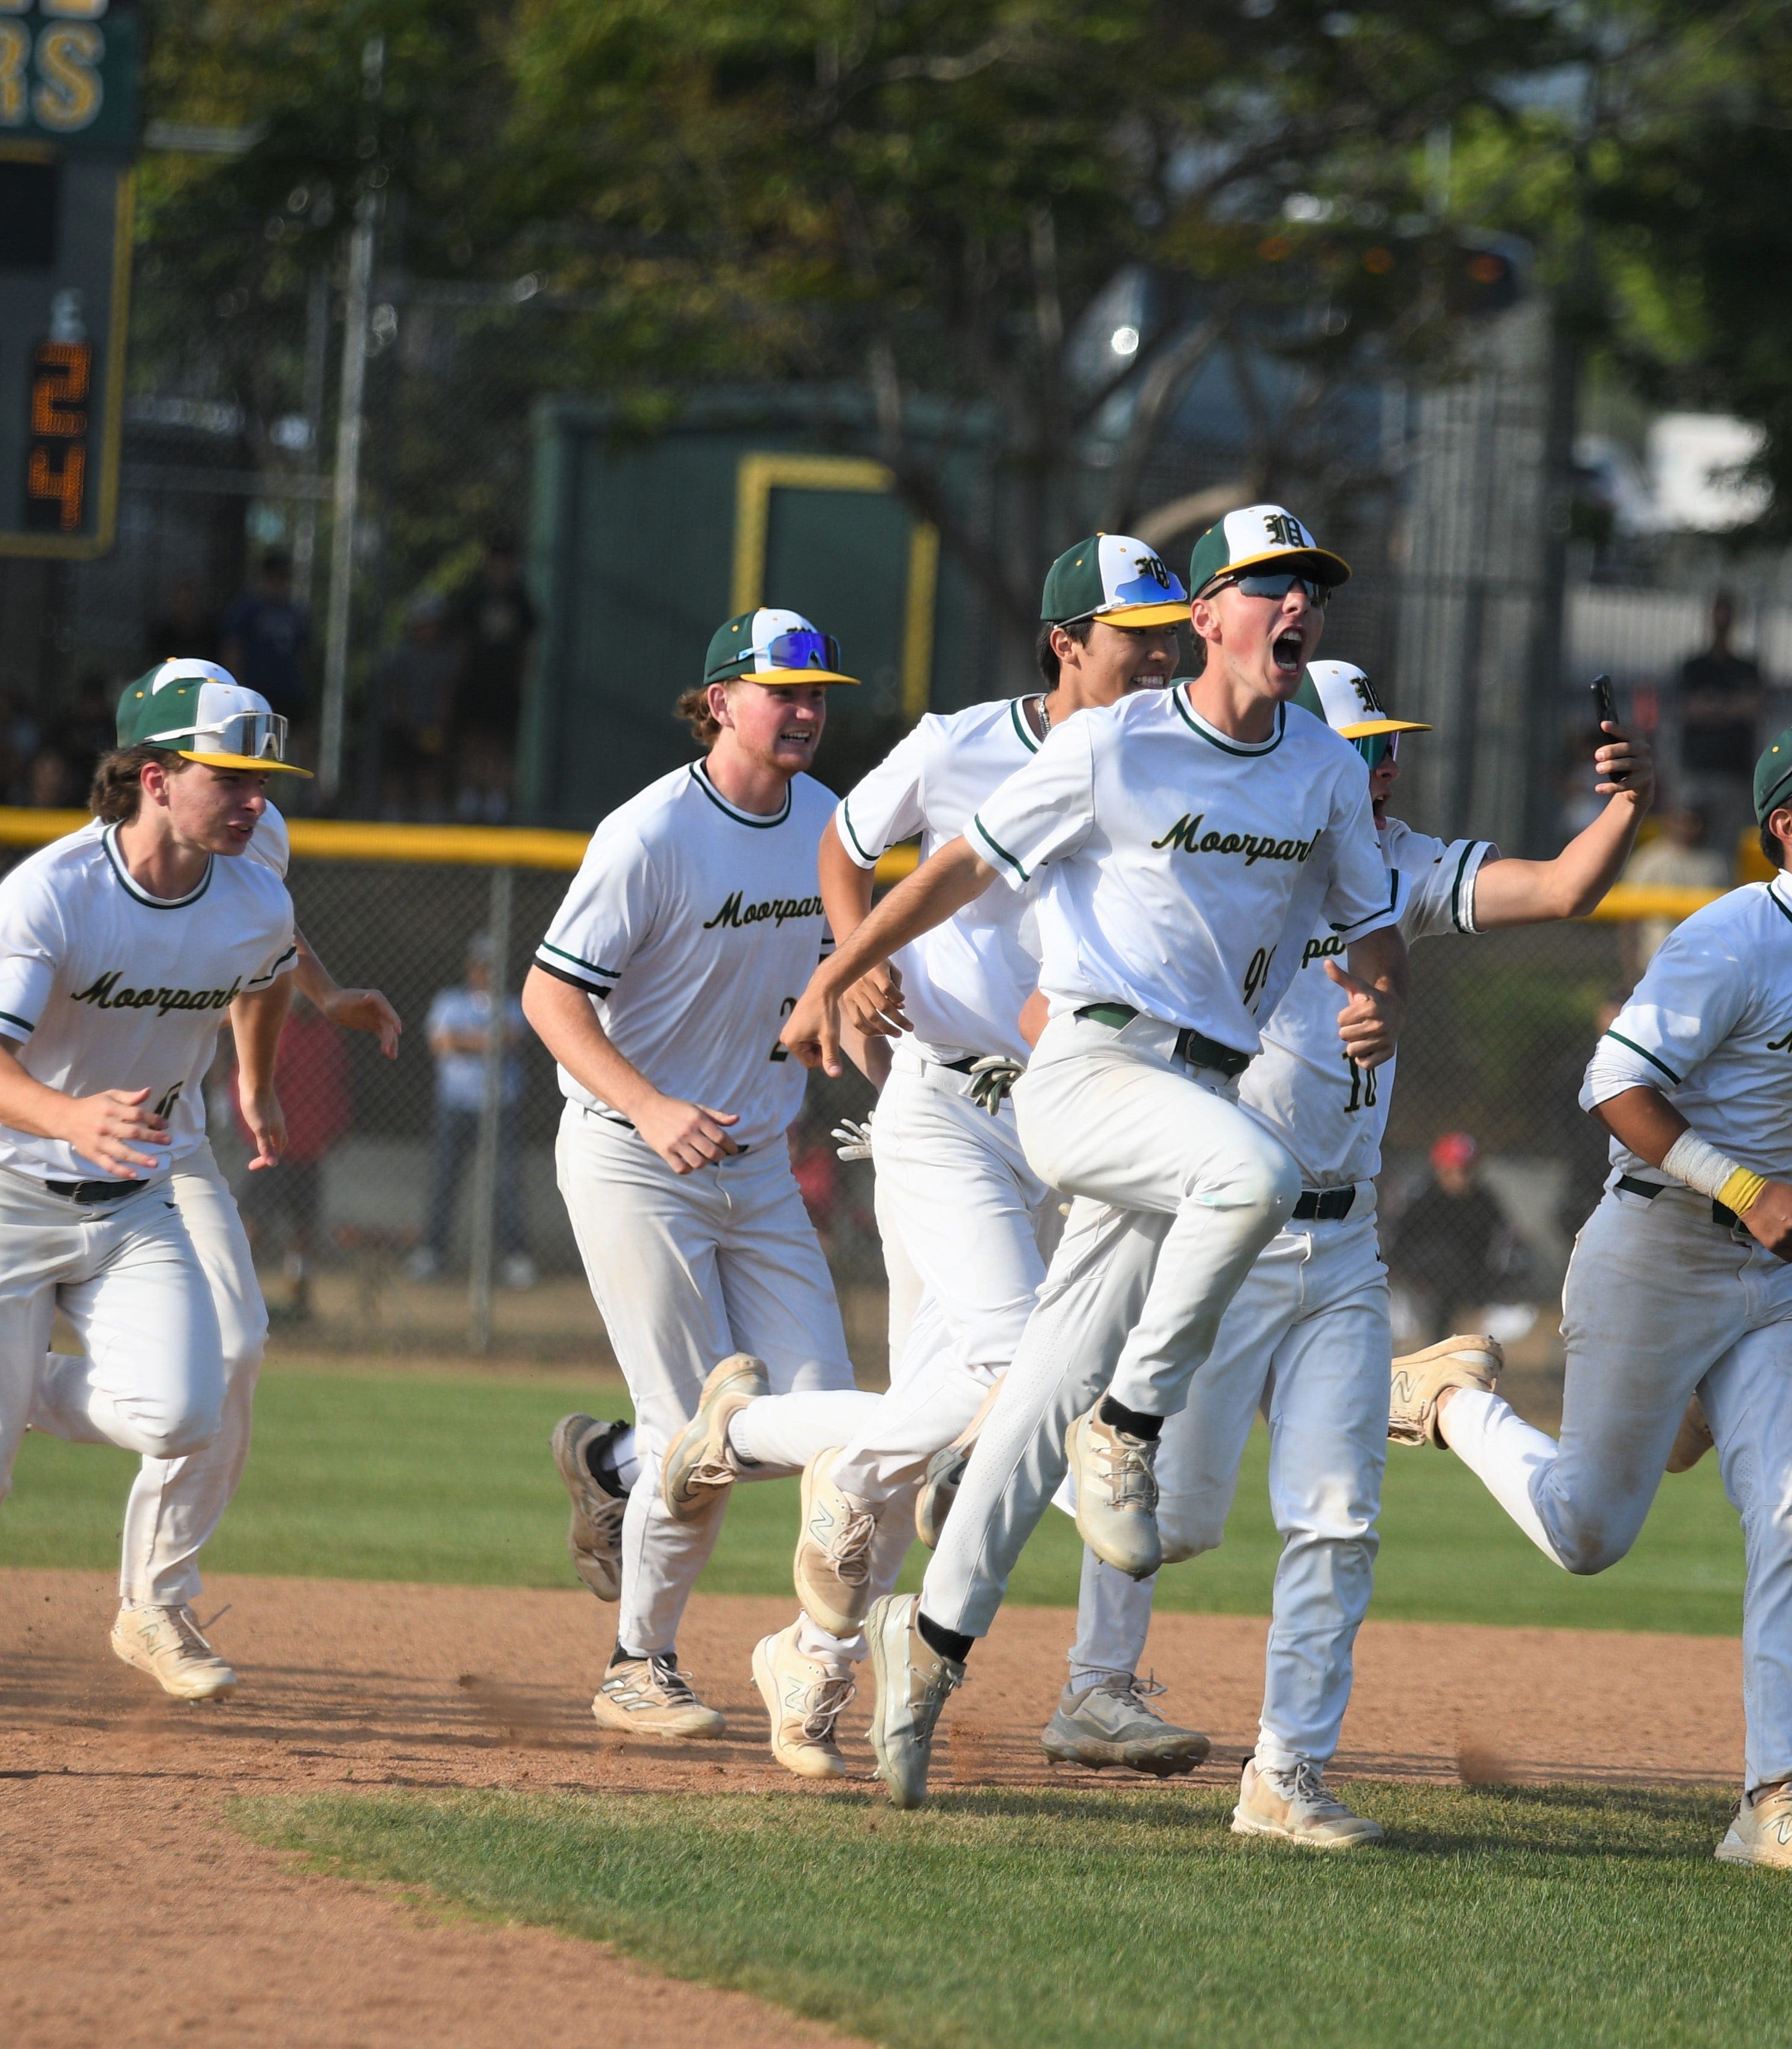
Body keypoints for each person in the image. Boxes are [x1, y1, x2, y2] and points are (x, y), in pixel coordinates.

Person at [781, 504, 1407, 1810]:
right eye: (1267, 585)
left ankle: (928, 1639)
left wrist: (1375, 989)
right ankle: (1127, 1424)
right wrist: (836, 970)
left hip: (1195, 1101)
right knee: (1252, 1179)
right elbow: (952, 869)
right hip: (1087, 1073)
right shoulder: (1115, 745)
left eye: (1310, 588)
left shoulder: (1320, 768)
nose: (1296, 605)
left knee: (1025, 1410)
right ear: (1208, 617)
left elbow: (1371, 920)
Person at [1057, 659, 1656, 1847]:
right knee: (1166, 1520)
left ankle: (1285, 1771)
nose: (1383, 762)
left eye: (1389, 743)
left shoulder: (1399, 867)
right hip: (1225, 1231)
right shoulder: (1226, 862)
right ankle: (1056, 1614)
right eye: (1361, 741)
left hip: (1340, 1249)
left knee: (1335, 1519)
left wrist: (1626, 808)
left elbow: (1560, 889)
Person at [1391, 716, 1792, 1875]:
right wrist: (1747, 1189)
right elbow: (1614, 1081)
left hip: (1774, 1283)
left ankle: (1774, 1800)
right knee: (1589, 1533)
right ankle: (1454, 1403)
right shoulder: (1730, 935)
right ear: (1789, 826)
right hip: (1653, 1253)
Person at [0, 664, 402, 1717]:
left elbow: (266, 966)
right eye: (232, 778)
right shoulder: (51, 892)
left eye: (263, 779)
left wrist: (257, 1078)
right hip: (2, 1184)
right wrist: (71, 1114)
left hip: (131, 1194)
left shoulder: (251, 889)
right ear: (154, 777)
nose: (258, 798)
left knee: (187, 1404)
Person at [709, 532, 1189, 1779]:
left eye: (1168, 633)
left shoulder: (1172, 761)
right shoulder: (956, 742)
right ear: (1066, 641)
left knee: (976, 1404)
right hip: (946, 1104)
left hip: (1082, 1117)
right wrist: (854, 954)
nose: (1159, 654)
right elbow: (844, 844)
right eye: (1134, 633)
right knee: (1019, 1356)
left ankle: (803, 1619)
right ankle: (783, 1469)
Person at [520, 608, 884, 1739]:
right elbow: (548, 996)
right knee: (700, 1429)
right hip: (634, 1156)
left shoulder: (829, 821)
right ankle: (639, 1662)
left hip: (759, 1162)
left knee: (827, 1429)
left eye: (819, 694)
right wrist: (649, 1101)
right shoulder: (652, 835)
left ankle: (611, 1461)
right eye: (785, 692)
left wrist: (875, 1044)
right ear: (720, 701)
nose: (808, 712)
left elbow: (841, 989)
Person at [410, 936, 534, 1285]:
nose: (485, 972)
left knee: (506, 1183)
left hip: (500, 1106)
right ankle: (432, 1253)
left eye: (492, 966)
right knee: (444, 1180)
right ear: (470, 966)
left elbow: (511, 1040)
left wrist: (463, 1040)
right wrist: (484, 1041)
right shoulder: (449, 1001)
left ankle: (515, 1257)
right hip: (455, 1105)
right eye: (480, 965)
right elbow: (441, 1043)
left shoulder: (512, 1003)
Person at [240, 993, 352, 1322]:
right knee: (254, 1225)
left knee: (303, 1230)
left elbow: (337, 1087)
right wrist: (253, 1133)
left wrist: (337, 1125)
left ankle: (299, 1300)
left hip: (309, 1151)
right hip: (273, 1149)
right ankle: (236, 1294)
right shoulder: (273, 1029)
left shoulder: (328, 1035)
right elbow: (246, 1084)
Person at [1385, 1131, 1520, 1348]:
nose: (1463, 1178)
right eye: (1456, 1170)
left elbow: (1505, 1234)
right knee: (1443, 1264)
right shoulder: (1424, 1197)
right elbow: (1399, 1240)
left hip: (1469, 1273)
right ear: (1440, 1169)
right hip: (1423, 1274)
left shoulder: (1482, 1198)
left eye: (1468, 1170)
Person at [450, 536, 538, 823]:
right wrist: (459, 678)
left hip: (504, 685)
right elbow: (462, 642)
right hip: (476, 683)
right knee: (474, 740)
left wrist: (521, 680)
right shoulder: (475, 597)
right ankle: (470, 798)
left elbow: (528, 645)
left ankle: (496, 801)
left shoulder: (520, 599)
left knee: (500, 744)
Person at [1619, 801, 1733, 983]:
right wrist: (1630, 971)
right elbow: (1629, 921)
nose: (1686, 827)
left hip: (1705, 961)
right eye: (1680, 821)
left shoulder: (1715, 864)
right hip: (1655, 959)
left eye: (1692, 822)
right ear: (1668, 822)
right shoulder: (1648, 860)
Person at [371, 593, 459, 819]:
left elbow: (445, 693)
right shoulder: (402, 653)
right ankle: (391, 823)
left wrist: (440, 723)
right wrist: (401, 720)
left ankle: (430, 825)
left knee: (430, 774)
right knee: (396, 775)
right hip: (403, 726)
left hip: (430, 726)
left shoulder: (442, 656)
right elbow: (394, 690)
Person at [1673, 592, 1767, 788]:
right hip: (1697, 767)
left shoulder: (1746, 669)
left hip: (1735, 769)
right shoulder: (1694, 667)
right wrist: (1733, 707)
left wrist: (1713, 707)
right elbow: (1692, 710)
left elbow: (1753, 709)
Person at [220, 551, 314, 724]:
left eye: (283, 577)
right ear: (265, 577)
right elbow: (233, 649)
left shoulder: (294, 613)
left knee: (294, 738)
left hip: (288, 691)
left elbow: (303, 654)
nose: (278, 582)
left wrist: (302, 687)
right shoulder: (247, 609)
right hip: (255, 690)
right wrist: (235, 687)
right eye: (274, 577)